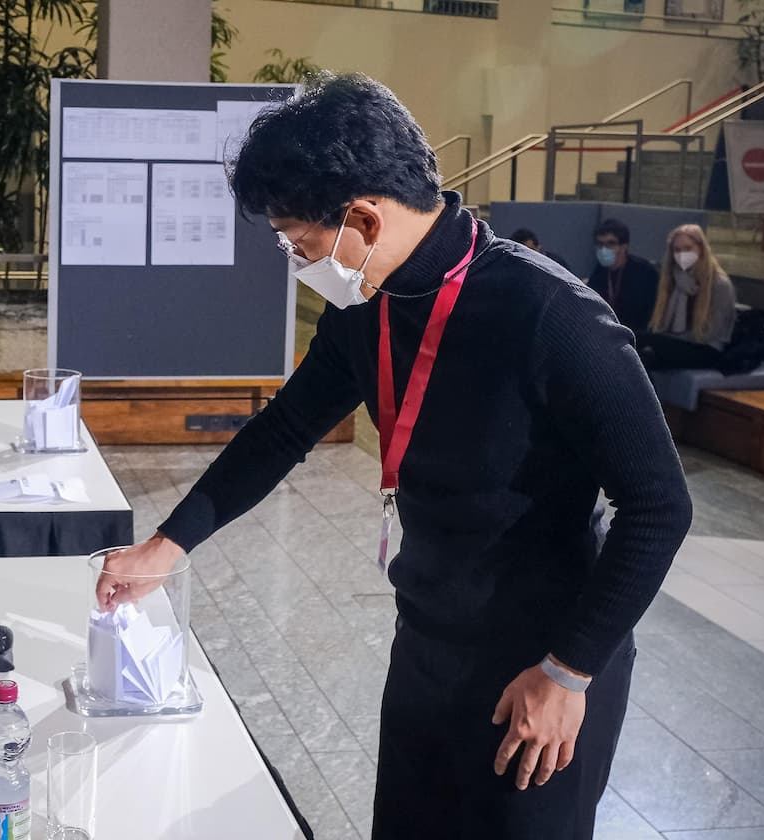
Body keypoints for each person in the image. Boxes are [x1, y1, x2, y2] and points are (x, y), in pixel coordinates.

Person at [94, 75, 691, 840]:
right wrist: (165, 546)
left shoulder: (550, 314)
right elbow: (283, 431)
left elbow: (660, 505)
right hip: (428, 640)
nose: (297, 260)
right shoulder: (370, 306)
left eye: (300, 243)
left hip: (543, 657)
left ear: (365, 219)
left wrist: (570, 671)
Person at [636, 224, 737, 370]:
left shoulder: (719, 283)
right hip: (676, 344)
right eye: (677, 250)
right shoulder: (673, 279)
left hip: (706, 348)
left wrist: (672, 339)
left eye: (688, 248)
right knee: (641, 353)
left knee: (645, 341)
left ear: (701, 249)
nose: (682, 254)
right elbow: (661, 323)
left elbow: (714, 332)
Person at [586, 218, 660, 327]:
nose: (603, 249)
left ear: (624, 246)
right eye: (600, 244)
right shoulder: (600, 271)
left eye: (610, 244)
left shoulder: (645, 272)